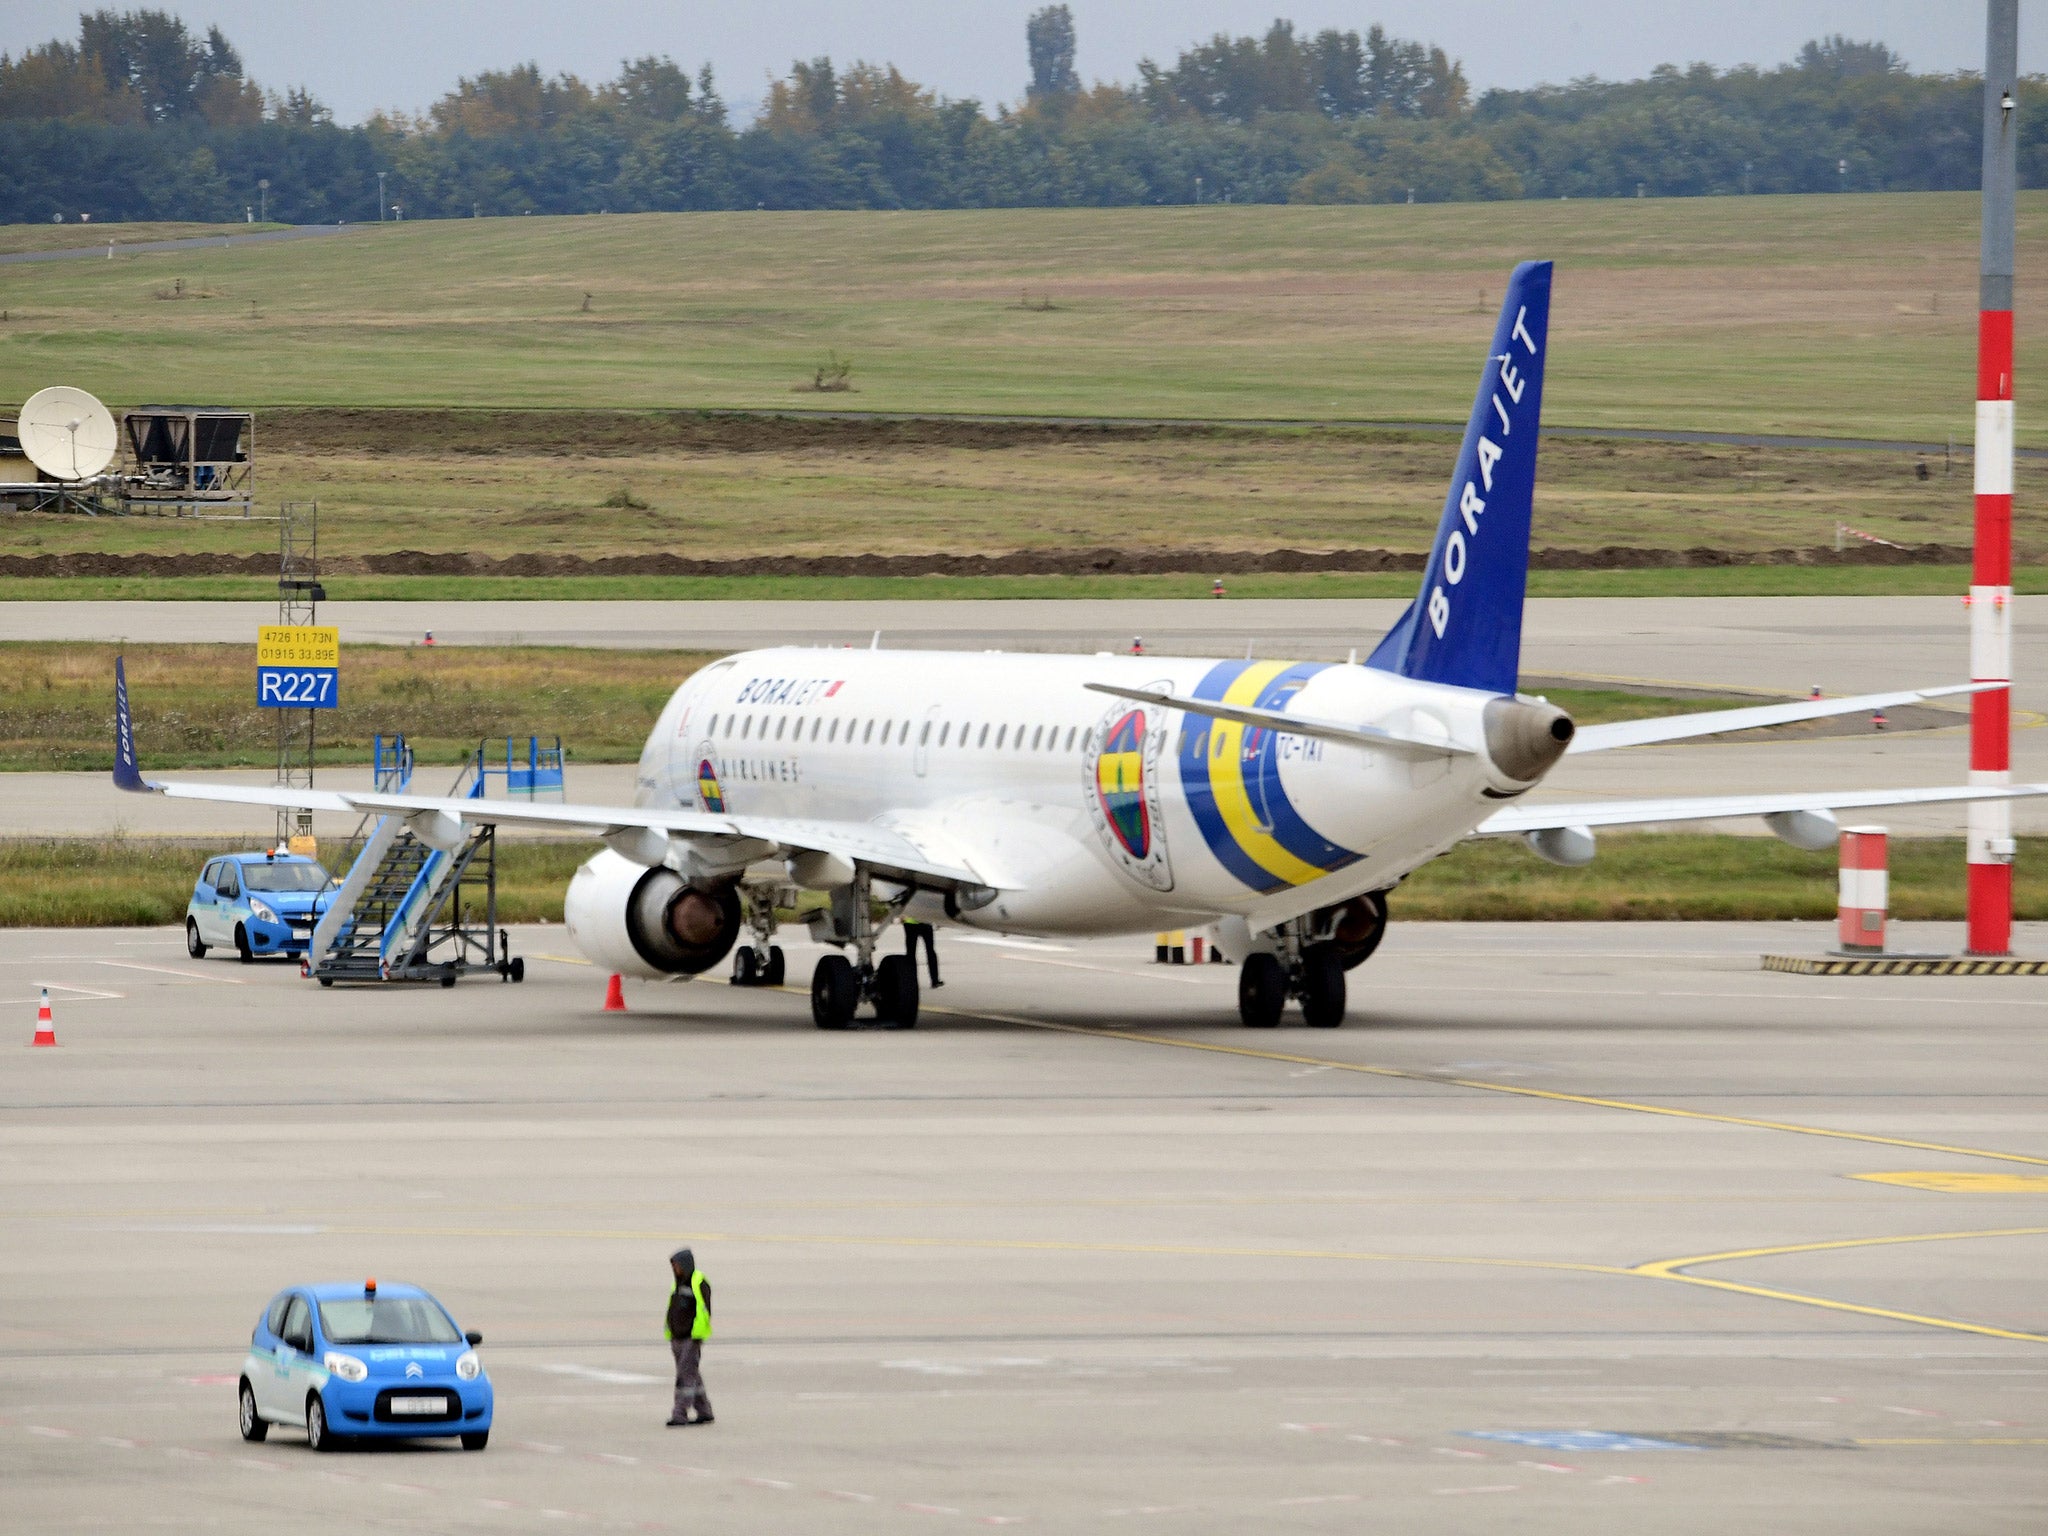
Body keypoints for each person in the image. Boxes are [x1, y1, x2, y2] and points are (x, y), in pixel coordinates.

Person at [664, 1248, 713, 1426]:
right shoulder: (677, 1284)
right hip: (677, 1337)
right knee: (692, 1374)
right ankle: (704, 1410)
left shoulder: (698, 1282)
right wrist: (670, 1330)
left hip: (691, 1338)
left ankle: (679, 1413)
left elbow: (704, 1311)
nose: (675, 1269)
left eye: (677, 1265)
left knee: (685, 1377)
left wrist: (696, 1335)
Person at [903, 917, 942, 987]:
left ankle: (911, 981)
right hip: (925, 922)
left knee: (910, 954)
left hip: (910, 923)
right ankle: (935, 980)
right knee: (930, 951)